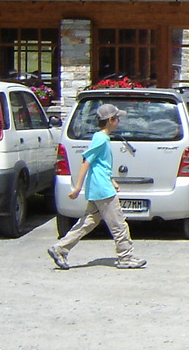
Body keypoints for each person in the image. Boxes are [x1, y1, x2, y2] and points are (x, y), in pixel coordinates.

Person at [47, 103, 146, 270]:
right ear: (110, 120)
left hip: (100, 185)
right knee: (118, 224)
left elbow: (101, 165)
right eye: (117, 118)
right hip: (102, 189)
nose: (119, 121)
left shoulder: (102, 138)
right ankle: (125, 257)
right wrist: (77, 188)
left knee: (89, 221)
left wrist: (112, 180)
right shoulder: (100, 139)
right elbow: (86, 161)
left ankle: (60, 248)